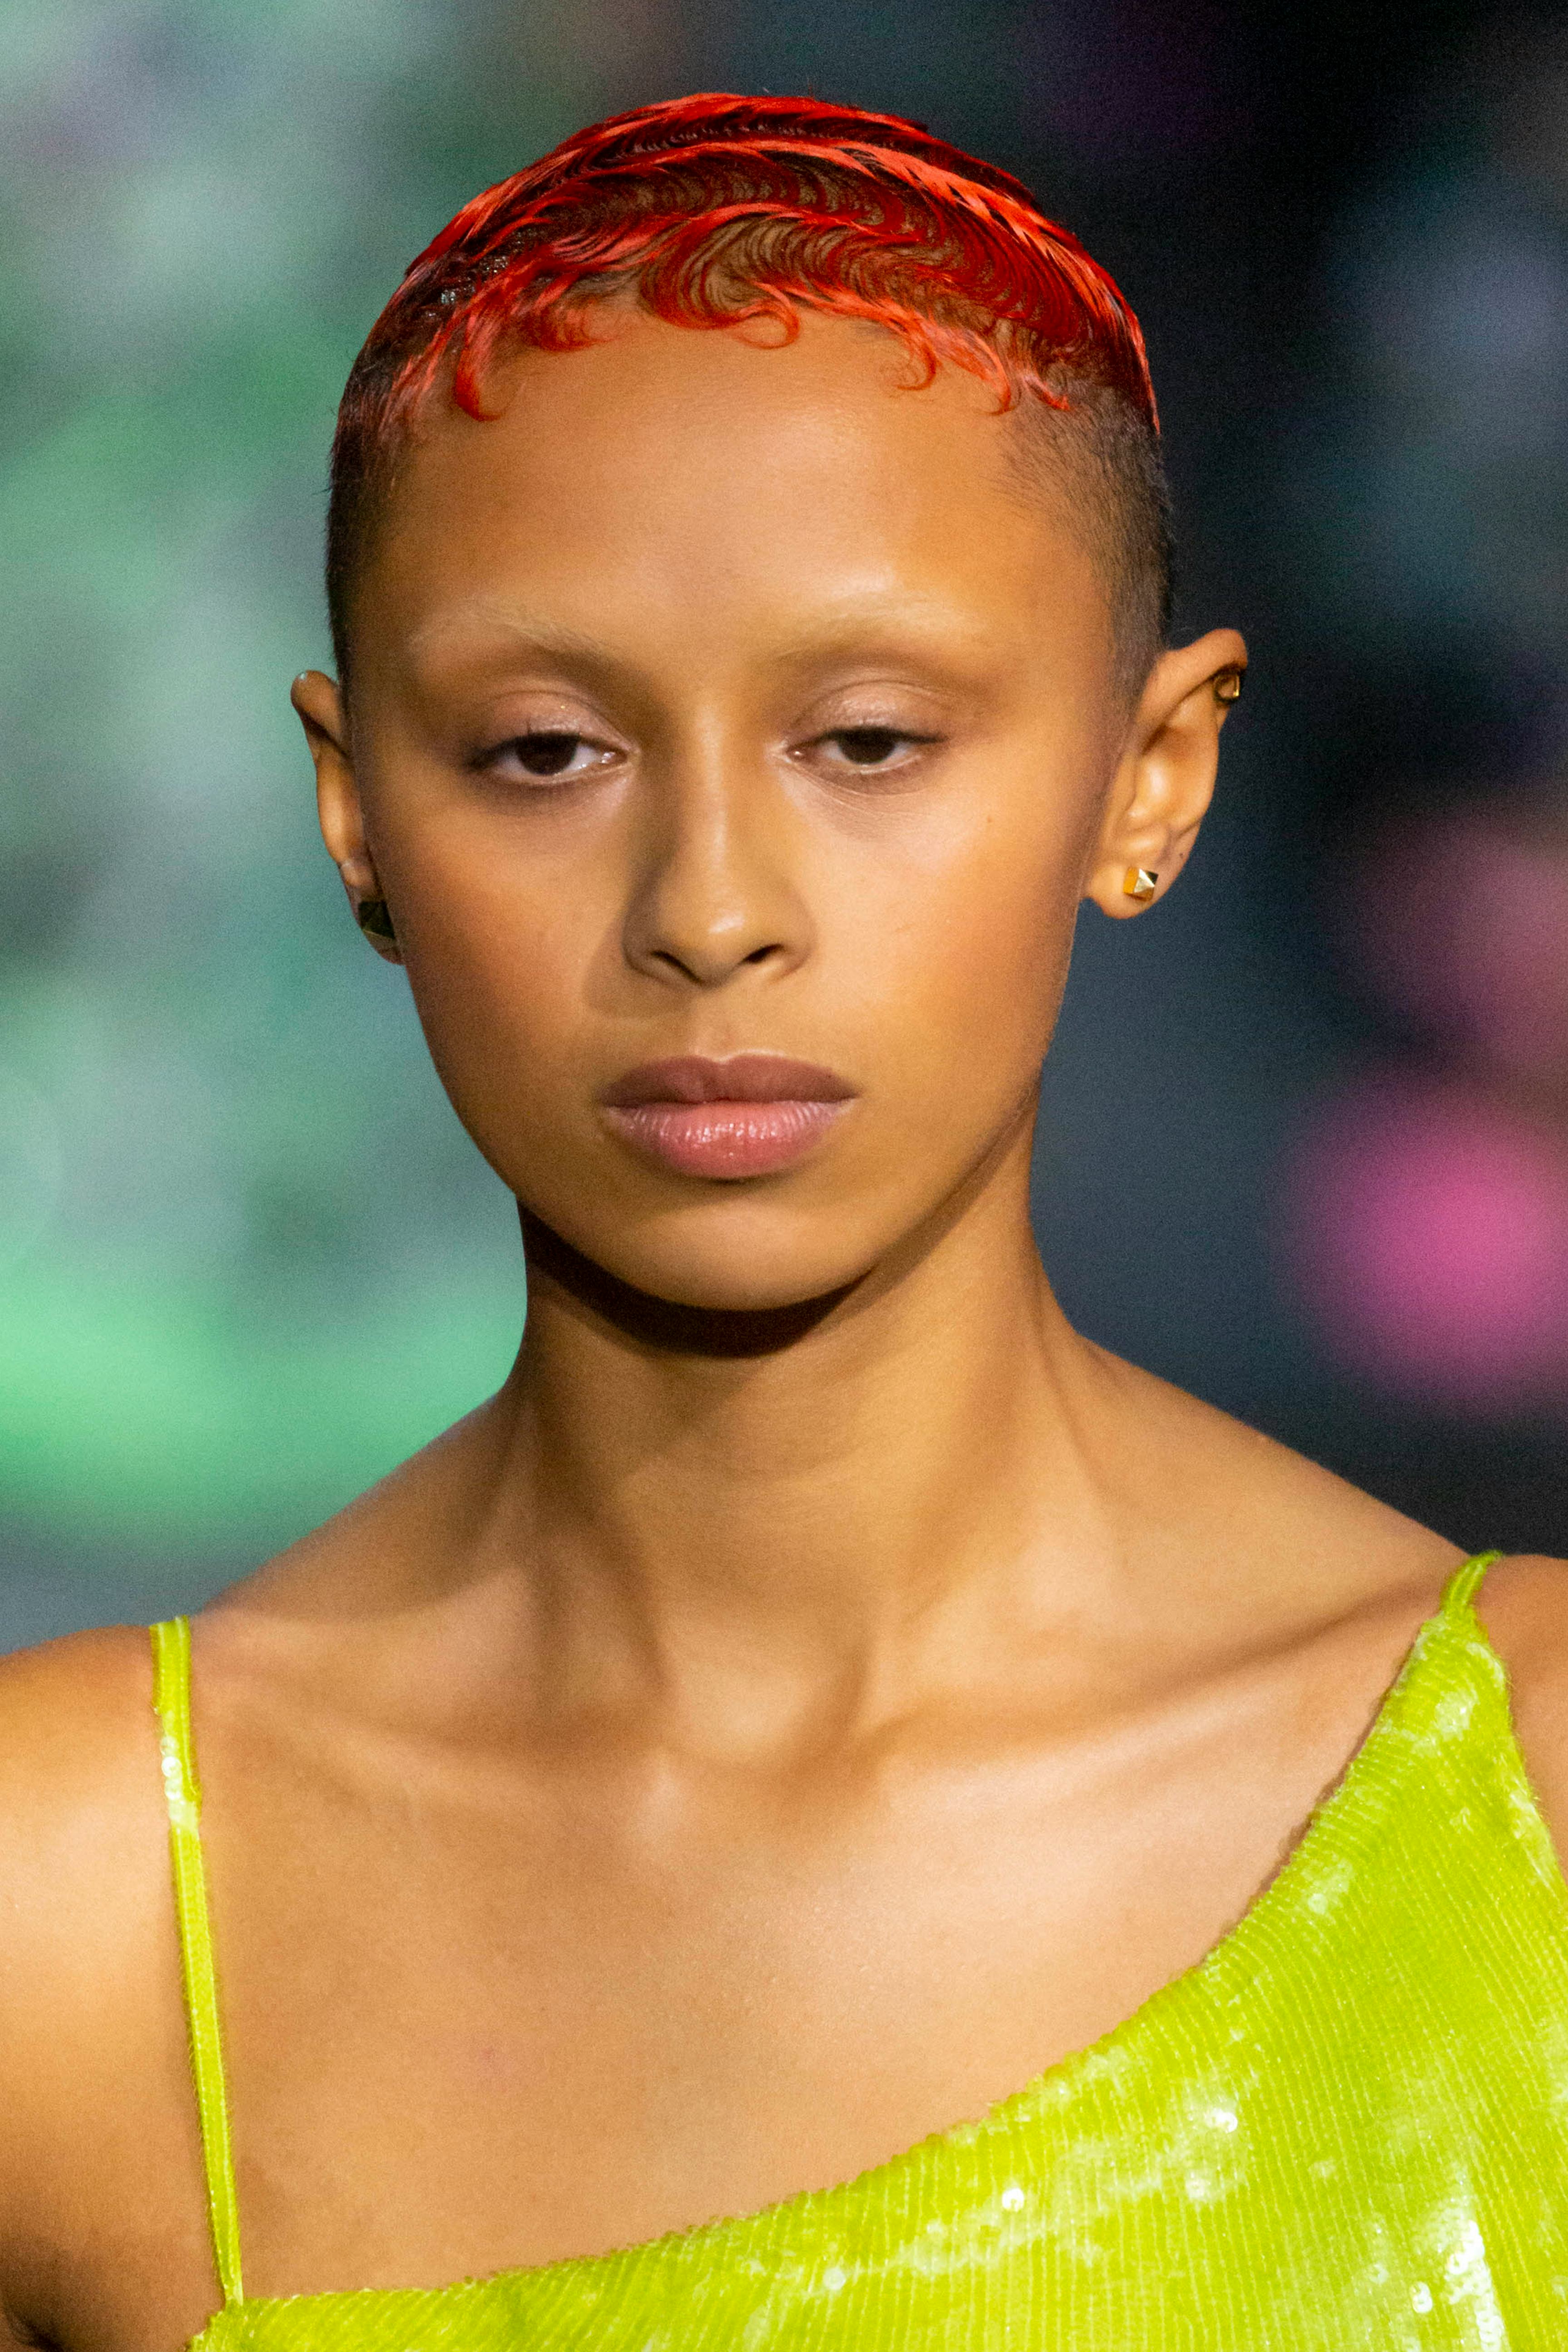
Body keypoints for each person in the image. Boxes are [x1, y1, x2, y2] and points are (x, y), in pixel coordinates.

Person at [2, 92, 1565, 2352]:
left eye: (867, 741)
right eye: (546, 752)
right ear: (357, 822)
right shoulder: (80, 1922)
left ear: (1153, 781)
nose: (712, 913)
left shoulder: (1525, 1811)